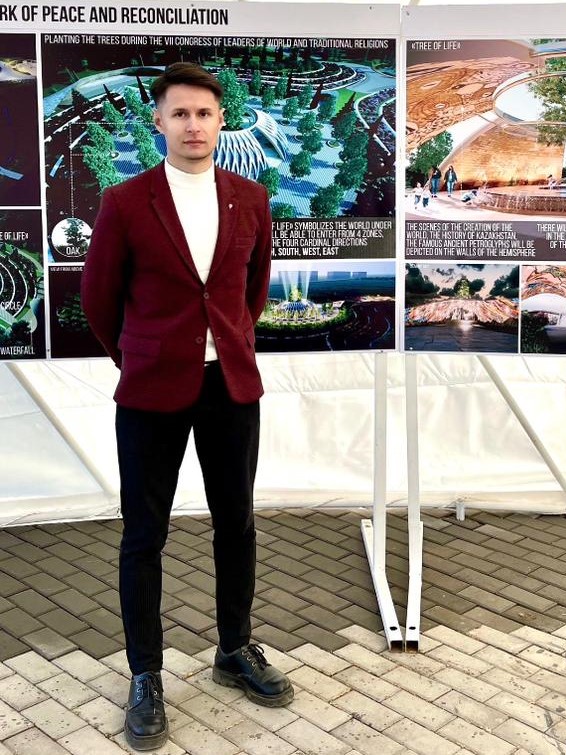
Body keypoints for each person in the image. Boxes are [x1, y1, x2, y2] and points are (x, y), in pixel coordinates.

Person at [81, 62, 293, 752]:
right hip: (151, 390)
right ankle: (145, 674)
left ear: (220, 120)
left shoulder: (250, 198)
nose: (193, 125)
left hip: (229, 386)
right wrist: (141, 356)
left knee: (237, 522)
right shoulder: (125, 201)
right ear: (159, 122)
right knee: (144, 535)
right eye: (180, 113)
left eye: (204, 113)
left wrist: (225, 342)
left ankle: (234, 648)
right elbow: (98, 300)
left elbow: (252, 289)